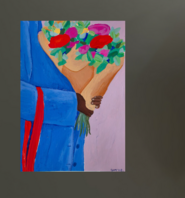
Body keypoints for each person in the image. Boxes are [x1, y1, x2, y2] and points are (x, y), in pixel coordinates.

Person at [20, 21, 124, 172]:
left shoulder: (47, 25)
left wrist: (92, 91)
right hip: (37, 149)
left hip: (68, 147)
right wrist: (73, 102)